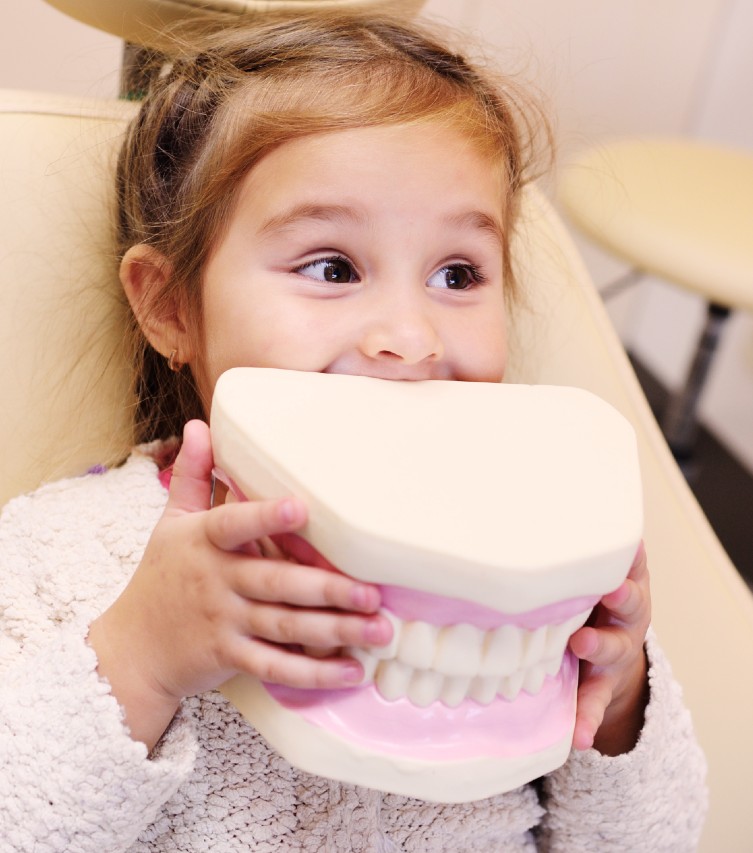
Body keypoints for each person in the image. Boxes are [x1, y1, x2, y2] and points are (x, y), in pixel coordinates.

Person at [0, 10, 707, 851]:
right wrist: (139, 659)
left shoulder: (536, 544)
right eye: (332, 267)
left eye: (458, 273)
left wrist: (619, 699)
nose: (410, 336)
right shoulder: (56, 552)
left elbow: (653, 838)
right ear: (169, 304)